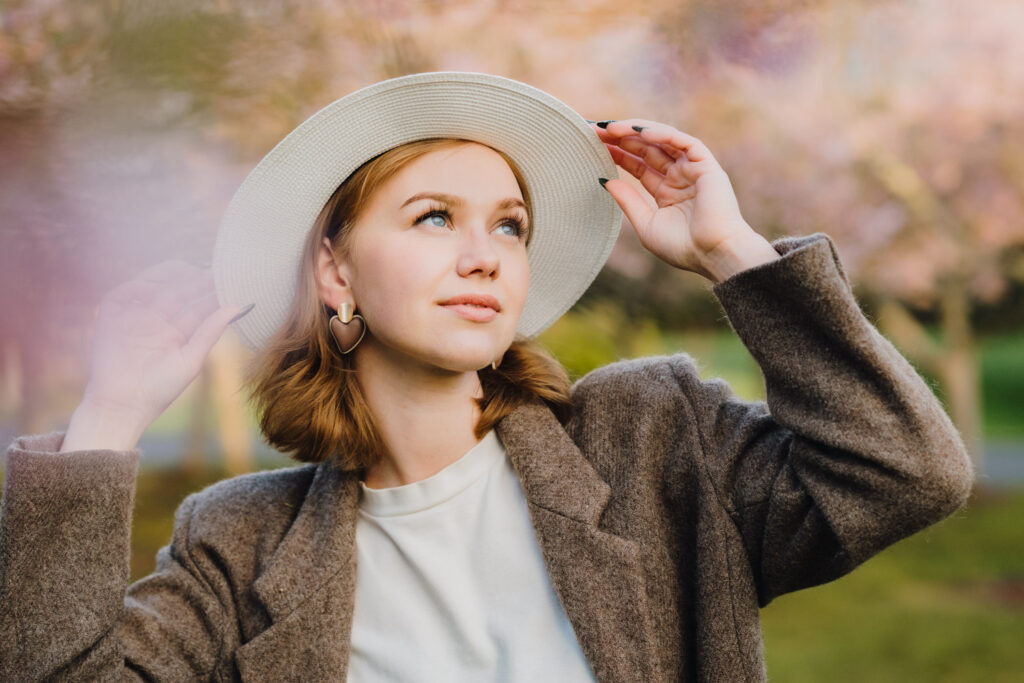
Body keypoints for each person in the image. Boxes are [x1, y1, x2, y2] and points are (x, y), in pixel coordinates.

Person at [0, 72, 973, 682]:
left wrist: (732, 252)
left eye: (508, 223)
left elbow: (906, 473)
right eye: (433, 216)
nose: (486, 254)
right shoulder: (238, 539)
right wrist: (110, 417)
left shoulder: (651, 434)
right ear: (335, 270)